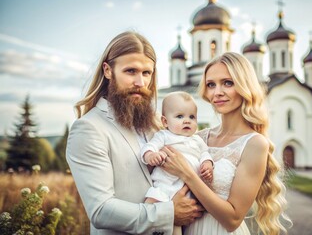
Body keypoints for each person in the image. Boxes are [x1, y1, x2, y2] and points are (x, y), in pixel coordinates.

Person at [66, 31, 203, 235]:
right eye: (131, 71)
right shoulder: (88, 128)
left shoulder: (156, 123)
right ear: (108, 70)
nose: (140, 82)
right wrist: (169, 213)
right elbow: (101, 210)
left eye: (146, 73)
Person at [161, 52, 291, 235]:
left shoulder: (254, 143)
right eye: (211, 85)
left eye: (227, 83)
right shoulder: (199, 137)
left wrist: (188, 174)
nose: (217, 92)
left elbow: (233, 219)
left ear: (244, 86)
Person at [141, 91, 214, 235]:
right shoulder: (163, 136)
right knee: (152, 207)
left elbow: (205, 153)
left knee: (178, 224)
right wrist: (151, 155)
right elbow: (149, 147)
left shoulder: (197, 140)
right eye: (180, 116)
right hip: (165, 185)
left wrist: (207, 164)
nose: (187, 121)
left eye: (192, 117)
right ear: (165, 122)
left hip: (188, 191)